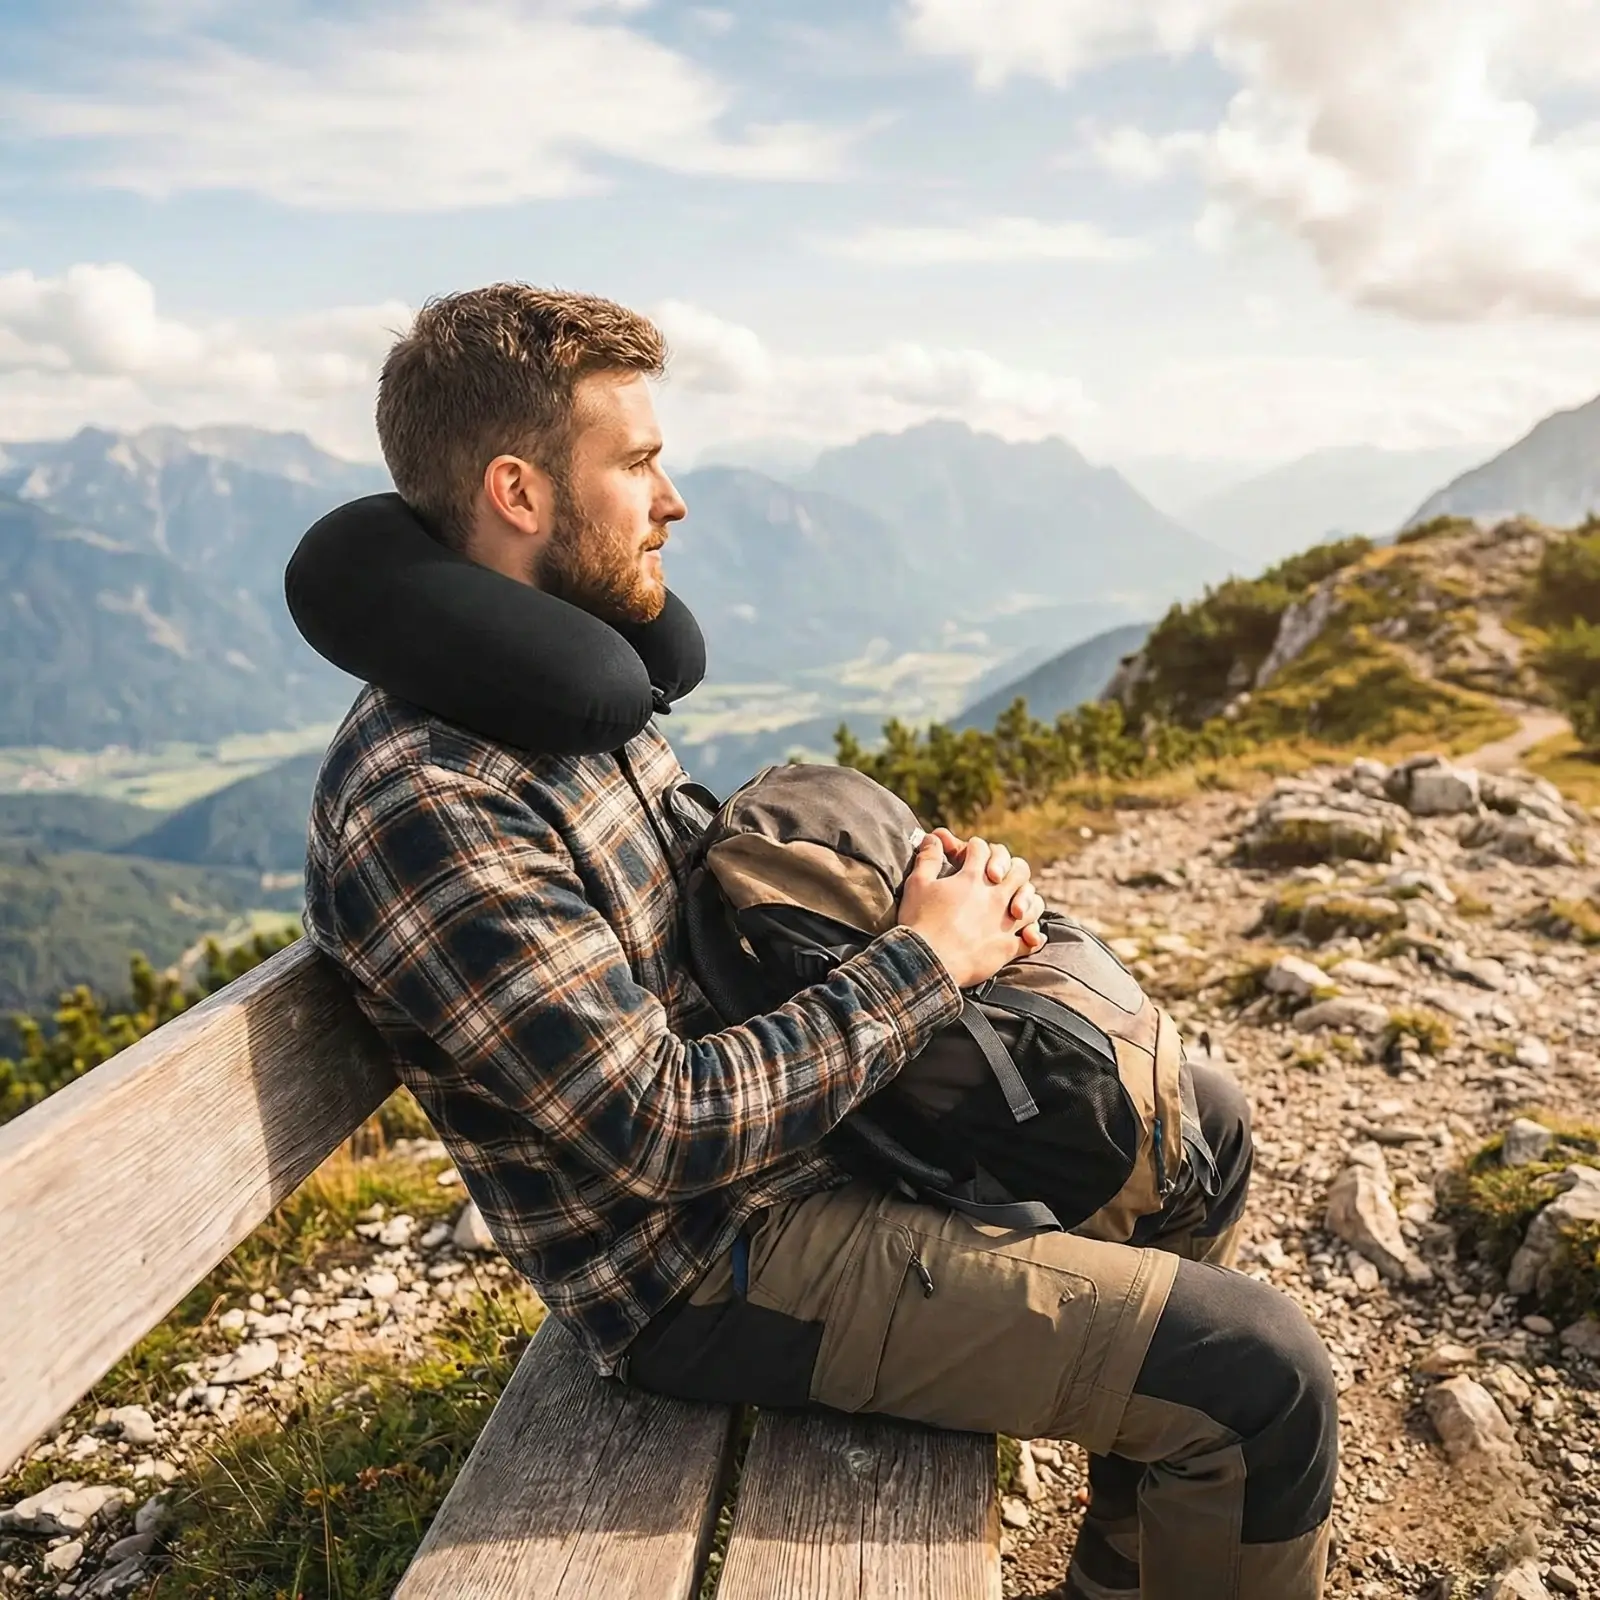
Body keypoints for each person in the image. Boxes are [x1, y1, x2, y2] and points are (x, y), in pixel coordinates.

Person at [299, 283, 1337, 1600]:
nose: (672, 500)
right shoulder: (432, 802)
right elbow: (656, 1132)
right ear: (518, 492)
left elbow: (703, 931)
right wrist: (926, 963)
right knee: (1259, 1380)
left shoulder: (554, 685)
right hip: (708, 1263)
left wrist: (910, 894)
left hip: (797, 1146)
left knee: (1203, 1131)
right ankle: (1175, 1418)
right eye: (638, 464)